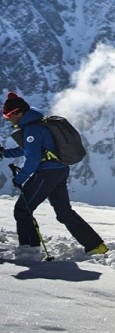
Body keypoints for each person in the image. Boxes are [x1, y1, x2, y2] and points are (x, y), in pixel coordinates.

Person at [1, 92, 108, 256]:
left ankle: (29, 250)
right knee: (64, 212)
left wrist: (19, 178)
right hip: (59, 170)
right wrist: (4, 153)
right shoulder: (36, 124)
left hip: (46, 173)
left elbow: (33, 158)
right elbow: (27, 149)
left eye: (7, 115)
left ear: (17, 112)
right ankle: (95, 245)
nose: (7, 119)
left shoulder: (31, 129)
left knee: (23, 209)